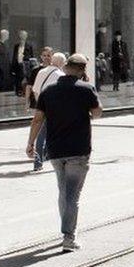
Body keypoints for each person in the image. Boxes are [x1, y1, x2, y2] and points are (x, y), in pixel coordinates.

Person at [27, 54, 101, 252]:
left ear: (66, 67)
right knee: (72, 195)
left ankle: (66, 229)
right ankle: (69, 236)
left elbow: (37, 119)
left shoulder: (48, 90)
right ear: (82, 70)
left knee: (63, 191)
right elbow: (97, 113)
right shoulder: (86, 89)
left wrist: (30, 143)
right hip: (78, 148)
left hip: (56, 149)